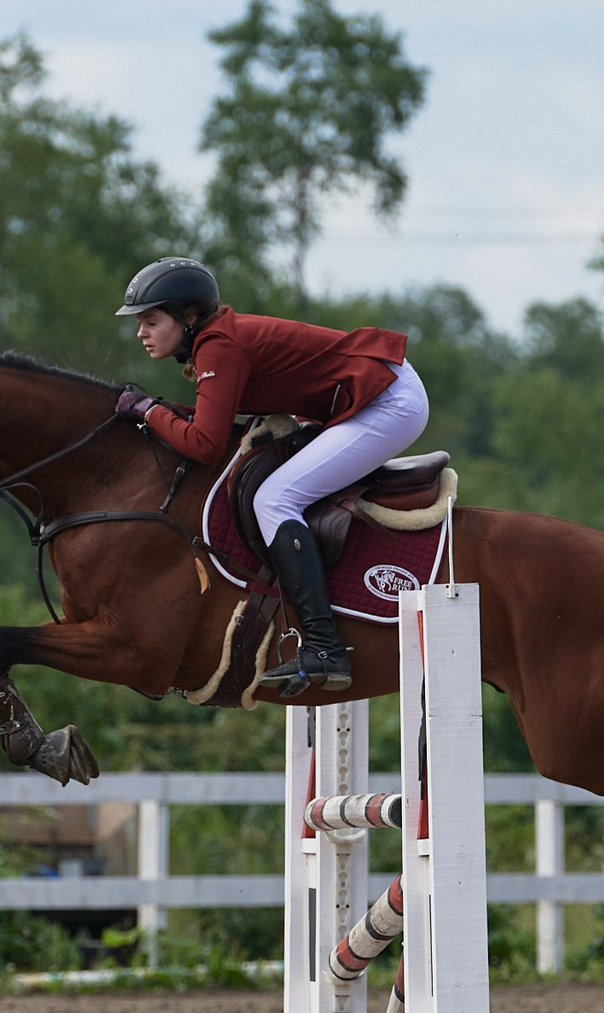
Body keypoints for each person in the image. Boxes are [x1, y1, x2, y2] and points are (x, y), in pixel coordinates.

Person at [110, 258, 429, 697]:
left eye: (150, 321)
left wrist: (147, 410)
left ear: (188, 317)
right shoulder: (214, 341)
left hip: (389, 402)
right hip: (376, 393)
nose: (141, 333)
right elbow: (211, 430)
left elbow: (204, 443)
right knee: (278, 492)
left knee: (274, 499)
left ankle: (323, 647)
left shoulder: (218, 345)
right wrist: (158, 412)